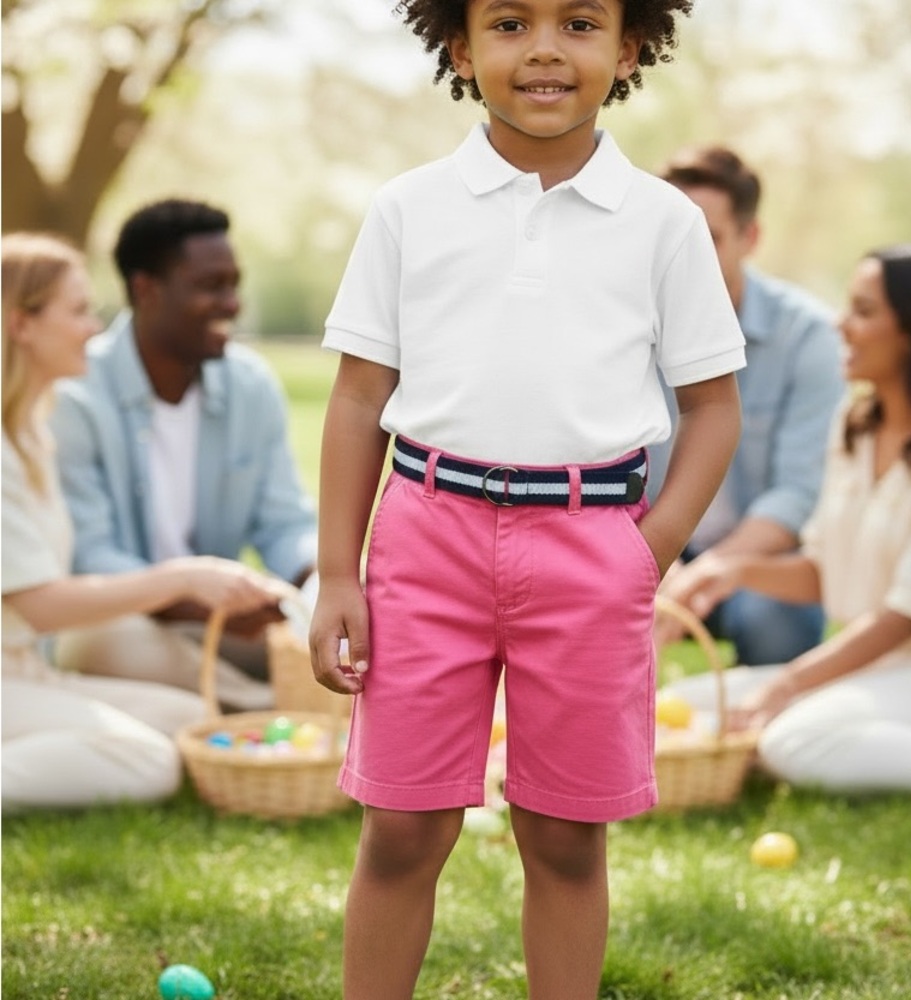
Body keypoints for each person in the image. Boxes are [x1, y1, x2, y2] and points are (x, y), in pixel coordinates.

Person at [309, 1, 745, 997]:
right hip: (425, 538)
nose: (544, 48)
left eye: (579, 22)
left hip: (591, 548)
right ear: (460, 48)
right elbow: (359, 399)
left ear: (629, 47)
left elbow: (712, 410)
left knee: (563, 837)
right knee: (401, 828)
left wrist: (649, 549)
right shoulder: (408, 208)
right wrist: (339, 571)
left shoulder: (665, 223)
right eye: (509, 21)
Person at [666, 244, 911, 797]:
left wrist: (790, 685)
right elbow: (825, 571)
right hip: (880, 668)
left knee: (793, 739)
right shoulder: (857, 426)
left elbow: (908, 613)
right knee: (686, 702)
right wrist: (736, 572)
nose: (840, 324)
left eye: (864, 311)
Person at [1, 232, 286, 811]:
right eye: (78, 310)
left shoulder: (32, 434)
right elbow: (38, 605)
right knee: (147, 758)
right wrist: (183, 578)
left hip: (26, 671)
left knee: (188, 719)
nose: (93, 327)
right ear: (21, 324)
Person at [49, 199, 318, 710]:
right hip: (128, 625)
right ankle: (271, 709)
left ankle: (266, 703)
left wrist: (323, 584)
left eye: (233, 284)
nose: (232, 304)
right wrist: (194, 599)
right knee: (108, 641)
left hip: (227, 628)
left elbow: (285, 524)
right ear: (146, 290)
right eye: (210, 286)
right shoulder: (75, 395)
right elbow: (88, 555)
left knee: (359, 617)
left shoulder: (250, 385)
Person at [649, 145, 845, 665]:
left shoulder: (808, 336)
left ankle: (756, 738)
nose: (681, 256)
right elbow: (602, 465)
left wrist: (705, 575)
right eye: (670, 238)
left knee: (775, 619)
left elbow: (797, 494)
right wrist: (659, 569)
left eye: (706, 239)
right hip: (646, 546)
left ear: (749, 238)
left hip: (752, 560)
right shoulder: (621, 328)